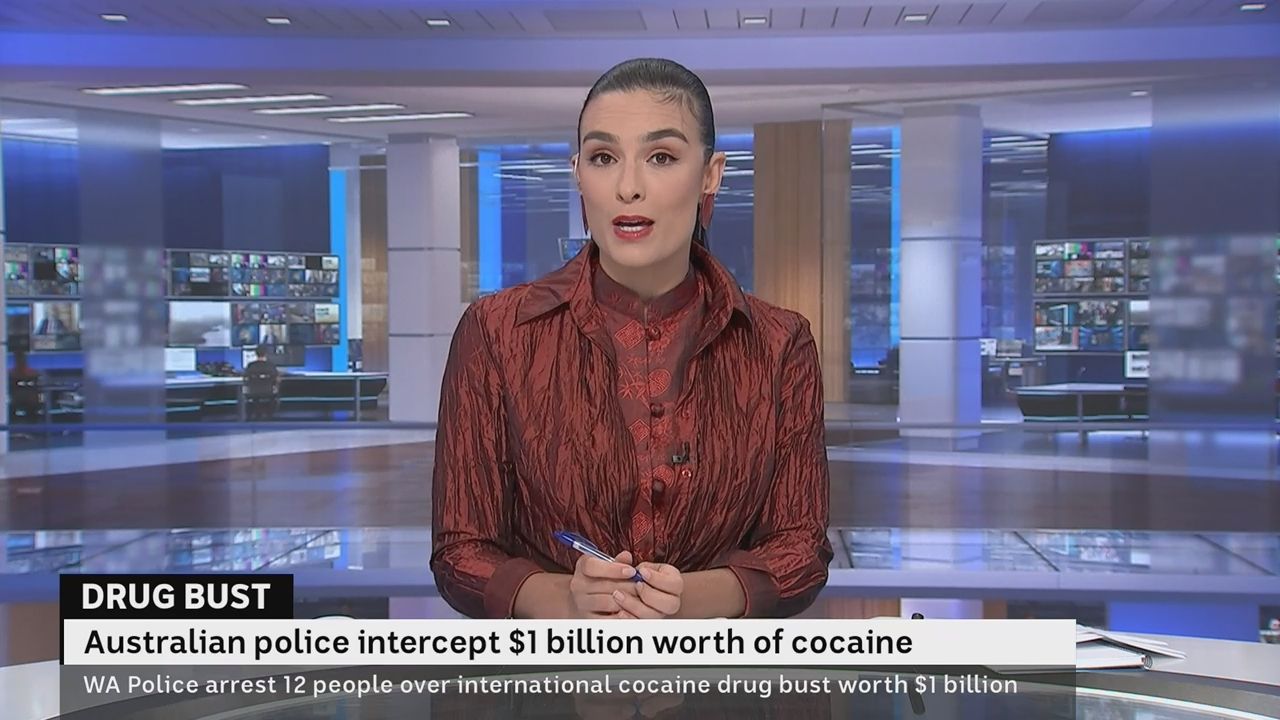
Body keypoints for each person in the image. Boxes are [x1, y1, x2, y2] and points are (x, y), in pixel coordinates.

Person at [432, 57, 831, 620]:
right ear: (578, 173)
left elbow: (801, 550)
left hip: (717, 667)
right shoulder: (497, 331)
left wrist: (688, 600)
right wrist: (565, 597)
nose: (628, 188)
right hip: (550, 670)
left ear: (711, 173)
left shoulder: (779, 343)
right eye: (604, 158)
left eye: (661, 157)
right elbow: (459, 552)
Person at [242, 346, 279, 420]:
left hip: (253, 392)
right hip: (268, 391)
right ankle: (270, 415)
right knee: (276, 394)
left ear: (256, 354)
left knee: (253, 396)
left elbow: (245, 378)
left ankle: (256, 414)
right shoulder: (271, 365)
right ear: (266, 354)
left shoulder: (250, 365)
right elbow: (277, 379)